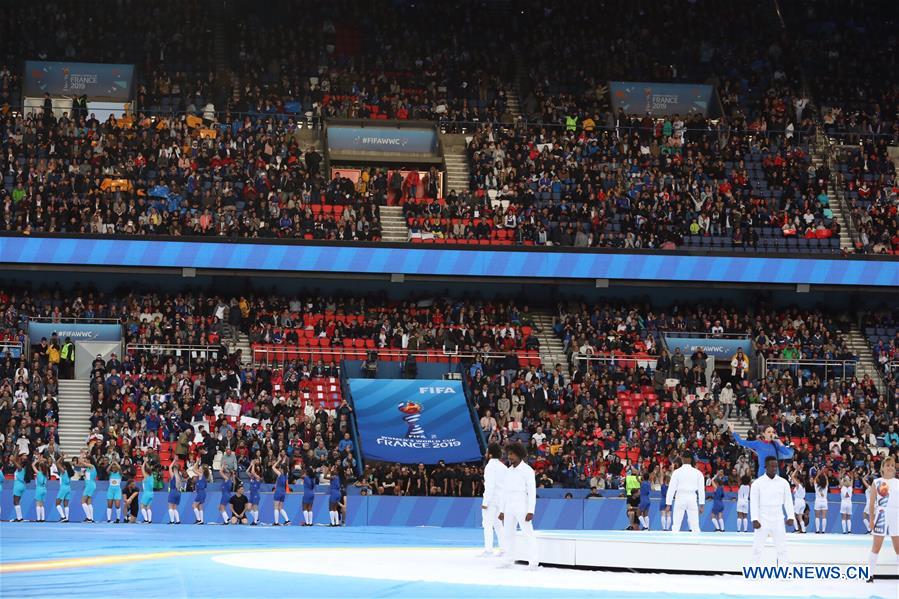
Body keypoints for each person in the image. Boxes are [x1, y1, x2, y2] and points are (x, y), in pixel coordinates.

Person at [498, 442, 538, 568]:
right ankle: (508, 559)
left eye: (512, 454)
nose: (509, 457)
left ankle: (533, 561)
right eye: (508, 454)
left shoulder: (528, 470)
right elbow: (504, 492)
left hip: (522, 504)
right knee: (508, 534)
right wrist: (502, 510)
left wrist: (531, 510)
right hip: (509, 505)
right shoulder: (508, 471)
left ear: (519, 455)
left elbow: (532, 492)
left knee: (528, 534)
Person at [750, 456, 794, 565]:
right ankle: (753, 573)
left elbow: (788, 501)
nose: (774, 468)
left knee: (782, 548)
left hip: (778, 518)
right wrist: (754, 518)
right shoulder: (757, 483)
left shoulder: (783, 483)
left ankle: (785, 573)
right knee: (757, 548)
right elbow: (754, 502)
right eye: (771, 466)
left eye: (776, 466)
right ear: (765, 467)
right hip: (762, 518)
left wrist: (791, 516)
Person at [866, 457, 899, 583]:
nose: (890, 467)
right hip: (881, 514)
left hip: (896, 515)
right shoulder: (877, 482)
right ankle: (870, 575)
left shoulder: (898, 482)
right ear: (883, 468)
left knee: (898, 548)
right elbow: (872, 503)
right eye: (888, 465)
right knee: (876, 546)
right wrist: (871, 520)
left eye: (892, 465)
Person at [729, 423, 794, 477]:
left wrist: (779, 441)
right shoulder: (758, 443)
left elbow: (788, 454)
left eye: (772, 432)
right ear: (763, 434)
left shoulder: (776, 444)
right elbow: (741, 442)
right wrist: (733, 431)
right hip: (763, 472)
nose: (771, 433)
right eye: (769, 432)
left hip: (775, 473)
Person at [666, 452, 705, 532]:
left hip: (680, 497)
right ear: (691, 460)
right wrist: (701, 504)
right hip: (692, 498)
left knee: (676, 525)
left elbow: (671, 489)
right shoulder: (698, 473)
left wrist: (668, 504)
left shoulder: (676, 472)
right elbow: (701, 490)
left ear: (682, 459)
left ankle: (674, 542)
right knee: (695, 525)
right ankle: (698, 543)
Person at [481, 443, 507, 555]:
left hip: (491, 500)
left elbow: (490, 485)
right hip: (501, 499)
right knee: (498, 524)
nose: (485, 454)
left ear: (490, 454)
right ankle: (504, 549)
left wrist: (485, 502)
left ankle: (488, 550)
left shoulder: (490, 466)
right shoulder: (503, 466)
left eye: (487, 452)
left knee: (487, 524)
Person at [76, 456, 97, 522]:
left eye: (86, 460)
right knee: (89, 502)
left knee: (83, 501)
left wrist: (81, 458)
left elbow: (82, 463)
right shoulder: (87, 468)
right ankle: (91, 518)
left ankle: (89, 518)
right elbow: (78, 466)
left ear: (90, 460)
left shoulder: (92, 466)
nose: (85, 461)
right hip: (89, 485)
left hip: (90, 485)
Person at [272, 457, 290, 526]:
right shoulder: (286, 475)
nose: (279, 468)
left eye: (279, 467)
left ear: (281, 469)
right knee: (280, 508)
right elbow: (284, 466)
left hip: (278, 491)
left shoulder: (280, 474)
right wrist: (283, 460)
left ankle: (276, 522)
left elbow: (273, 467)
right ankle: (287, 520)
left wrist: (278, 460)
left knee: (276, 507)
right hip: (283, 492)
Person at [55, 454, 73, 522]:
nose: (61, 466)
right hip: (68, 488)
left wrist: (62, 457)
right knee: (66, 504)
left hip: (63, 488)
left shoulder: (63, 471)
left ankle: (63, 517)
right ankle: (67, 518)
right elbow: (60, 463)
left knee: (57, 503)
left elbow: (57, 463)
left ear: (65, 467)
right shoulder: (69, 473)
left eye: (63, 466)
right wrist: (63, 459)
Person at [247, 459, 263, 525]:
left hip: (256, 494)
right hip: (251, 495)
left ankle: (255, 521)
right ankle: (257, 519)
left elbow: (253, 472)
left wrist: (253, 464)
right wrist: (251, 465)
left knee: (255, 508)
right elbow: (247, 471)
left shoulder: (258, 477)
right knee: (248, 508)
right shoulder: (252, 478)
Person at [12, 454, 27, 521]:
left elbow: (13, 460)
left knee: (16, 502)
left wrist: (17, 452)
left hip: (18, 485)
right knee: (17, 502)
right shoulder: (23, 469)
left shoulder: (20, 468)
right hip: (22, 485)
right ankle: (19, 517)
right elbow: (17, 461)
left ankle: (19, 518)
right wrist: (20, 458)